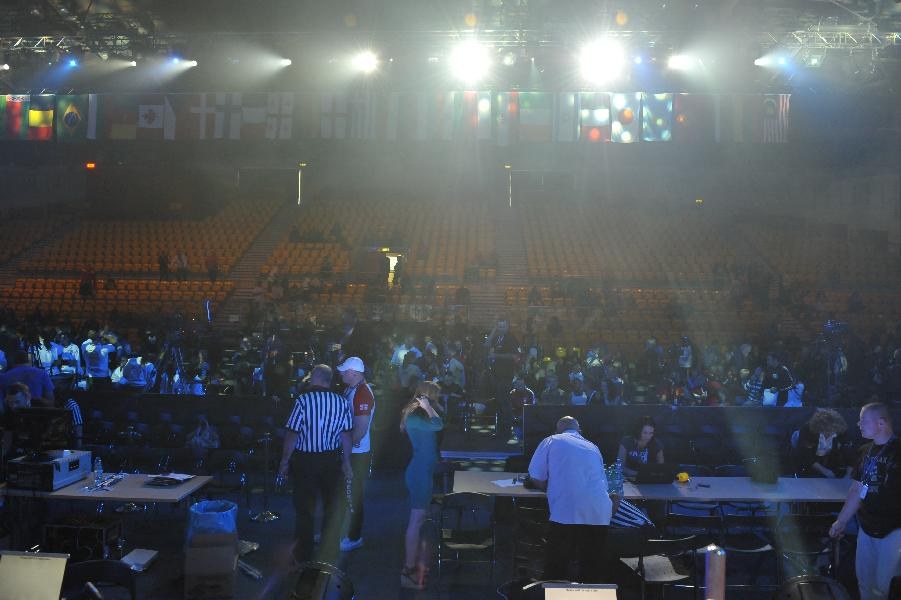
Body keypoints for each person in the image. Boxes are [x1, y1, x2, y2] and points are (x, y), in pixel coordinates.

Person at [527, 416, 617, 583]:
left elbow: (536, 477)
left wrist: (554, 489)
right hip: (598, 512)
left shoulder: (551, 440)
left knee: (556, 567)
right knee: (592, 569)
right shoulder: (593, 447)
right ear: (579, 431)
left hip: (566, 511)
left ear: (557, 430)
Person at [278, 364, 353, 565]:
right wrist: (346, 462)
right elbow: (346, 435)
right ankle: (329, 551)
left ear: (316, 378)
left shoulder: (303, 401)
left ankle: (304, 553)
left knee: (304, 508)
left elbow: (292, 434)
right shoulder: (341, 402)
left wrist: (284, 462)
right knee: (331, 506)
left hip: (306, 461)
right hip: (331, 460)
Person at [829, 403, 901, 600]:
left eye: (864, 420)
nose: (859, 424)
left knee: (886, 587)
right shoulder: (864, 451)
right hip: (867, 528)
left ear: (881, 423)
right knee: (865, 582)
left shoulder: (898, 450)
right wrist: (841, 520)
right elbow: (857, 490)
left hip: (894, 530)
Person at [400, 381, 444, 589]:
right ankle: (407, 569)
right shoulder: (417, 417)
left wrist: (430, 408)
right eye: (435, 396)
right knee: (415, 522)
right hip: (419, 473)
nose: (438, 400)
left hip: (422, 471)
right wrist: (428, 407)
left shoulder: (419, 416)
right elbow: (439, 425)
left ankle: (410, 566)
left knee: (418, 520)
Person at [338, 356, 375, 552]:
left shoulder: (362, 393)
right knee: (346, 493)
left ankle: (354, 536)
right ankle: (345, 532)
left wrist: (345, 452)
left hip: (356, 453)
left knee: (353, 495)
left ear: (354, 372)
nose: (341, 373)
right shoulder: (352, 390)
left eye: (344, 370)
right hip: (352, 450)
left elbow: (361, 428)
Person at [485, 317, 521, 440]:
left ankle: (507, 429)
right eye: (499, 326)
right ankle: (500, 429)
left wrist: (497, 356)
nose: (501, 328)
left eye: (503, 326)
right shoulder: (497, 337)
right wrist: (494, 331)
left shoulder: (510, 338)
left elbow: (514, 356)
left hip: (506, 374)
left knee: (504, 401)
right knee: (499, 402)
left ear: (508, 326)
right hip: (496, 374)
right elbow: (486, 344)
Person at [791, 408, 851, 478]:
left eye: (833, 430)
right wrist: (826, 472)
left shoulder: (840, 431)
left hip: (829, 463)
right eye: (827, 430)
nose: (830, 433)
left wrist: (848, 475)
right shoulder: (808, 430)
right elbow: (806, 456)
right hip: (805, 465)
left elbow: (849, 453)